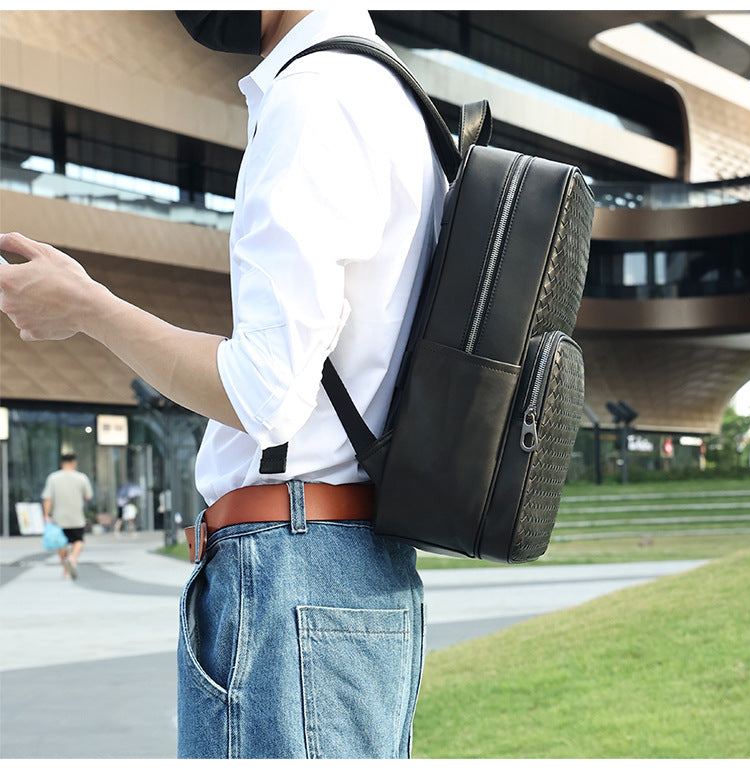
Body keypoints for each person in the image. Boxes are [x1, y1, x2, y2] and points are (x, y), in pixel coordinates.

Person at [0, 9, 444, 759]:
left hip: (290, 567)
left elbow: (263, 394)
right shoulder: (393, 97)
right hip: (353, 561)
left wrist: (88, 307)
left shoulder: (314, 96)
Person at [41, 453, 93, 580]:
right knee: (78, 540)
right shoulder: (81, 478)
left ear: (61, 463)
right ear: (74, 462)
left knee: (61, 544)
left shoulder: (53, 478)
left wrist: (46, 515)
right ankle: (73, 558)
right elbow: (88, 496)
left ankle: (66, 570)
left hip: (59, 518)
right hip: (76, 517)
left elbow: (47, 498)